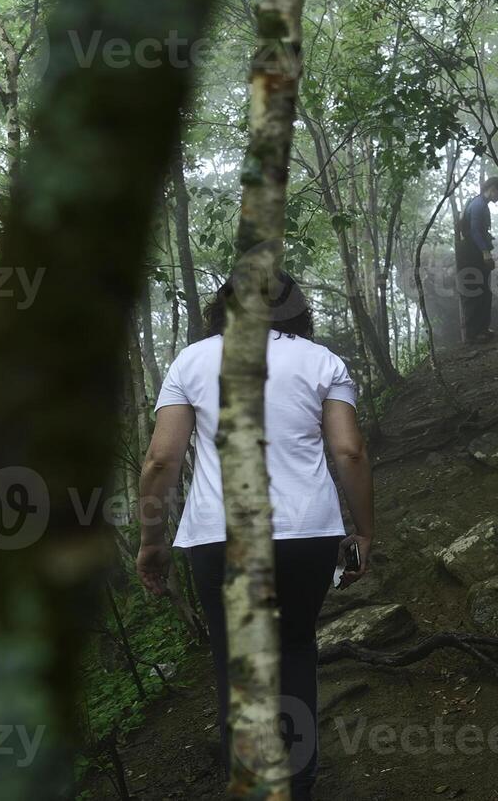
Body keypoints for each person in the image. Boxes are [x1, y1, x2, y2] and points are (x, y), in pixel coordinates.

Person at [135, 271, 375, 801]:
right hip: (307, 533)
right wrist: (363, 529)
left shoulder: (192, 361)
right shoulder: (321, 361)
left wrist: (152, 540)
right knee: (293, 652)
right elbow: (350, 452)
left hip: (221, 537)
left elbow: (160, 461)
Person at [458, 175, 498, 342]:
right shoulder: (478, 205)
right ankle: (473, 334)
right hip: (472, 254)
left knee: (484, 290)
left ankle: (482, 329)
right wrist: (485, 253)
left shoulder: (480, 203)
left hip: (475, 252)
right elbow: (475, 231)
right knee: (475, 290)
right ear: (492, 189)